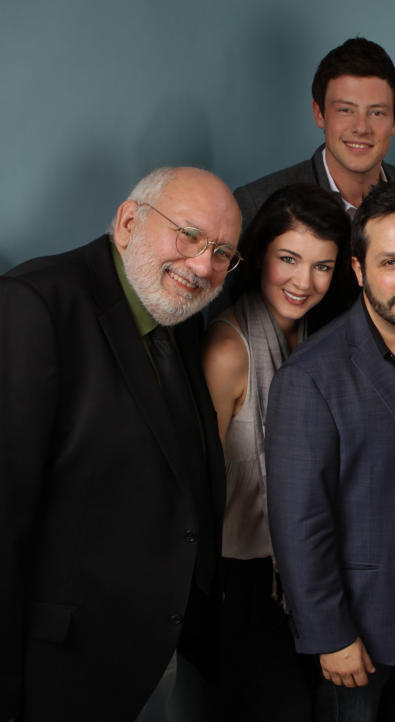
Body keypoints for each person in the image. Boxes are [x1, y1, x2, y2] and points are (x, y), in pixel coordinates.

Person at [0, 167, 241, 721]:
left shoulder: (175, 312)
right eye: (189, 235)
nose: (203, 266)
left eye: (223, 252)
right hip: (54, 670)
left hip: (151, 658)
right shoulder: (33, 305)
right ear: (129, 221)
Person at [264, 182, 395, 721]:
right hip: (364, 634)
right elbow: (299, 522)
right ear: (358, 271)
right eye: (390, 263)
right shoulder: (311, 376)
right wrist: (329, 634)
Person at [201, 184, 350, 720]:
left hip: (302, 566)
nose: (303, 282)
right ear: (261, 253)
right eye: (289, 259)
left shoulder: (314, 335)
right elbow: (201, 485)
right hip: (240, 578)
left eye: (322, 266)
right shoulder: (227, 350)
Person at [231, 38, 395, 327]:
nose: (361, 128)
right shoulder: (258, 201)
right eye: (345, 110)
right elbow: (230, 321)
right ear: (319, 113)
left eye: (377, 113)